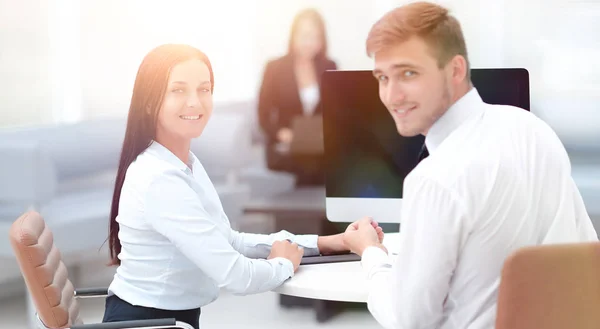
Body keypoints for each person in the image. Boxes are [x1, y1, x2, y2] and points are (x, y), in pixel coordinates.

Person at [341, 2, 599, 329]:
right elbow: (582, 255)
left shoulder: (435, 180)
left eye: (408, 73)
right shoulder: (533, 129)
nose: (392, 96)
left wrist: (371, 254)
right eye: (382, 77)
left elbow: (410, 321)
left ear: (456, 70)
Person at [102, 44, 382, 329]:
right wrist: (283, 265)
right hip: (145, 322)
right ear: (150, 101)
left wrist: (328, 243)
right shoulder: (159, 179)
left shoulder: (185, 164)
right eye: (178, 90)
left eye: (204, 89)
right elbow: (235, 275)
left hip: (171, 319)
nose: (195, 102)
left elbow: (230, 241)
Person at [257, 8, 337, 186]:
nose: (310, 42)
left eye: (316, 37)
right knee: (310, 166)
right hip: (285, 148)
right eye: (305, 35)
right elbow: (263, 114)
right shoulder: (275, 68)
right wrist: (281, 133)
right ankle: (311, 211)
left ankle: (322, 211)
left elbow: (337, 112)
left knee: (327, 163)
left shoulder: (329, 66)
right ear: (293, 36)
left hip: (319, 147)